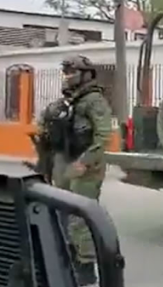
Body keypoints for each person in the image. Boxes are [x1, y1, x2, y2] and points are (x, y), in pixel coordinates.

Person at [37, 55, 113, 286]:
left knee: (79, 217)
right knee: (60, 213)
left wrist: (86, 161)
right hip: (62, 162)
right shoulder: (68, 101)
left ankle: (87, 268)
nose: (68, 76)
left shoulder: (94, 100)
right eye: (66, 72)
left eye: (72, 72)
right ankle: (69, 259)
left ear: (85, 74)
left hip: (84, 165)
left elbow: (103, 135)